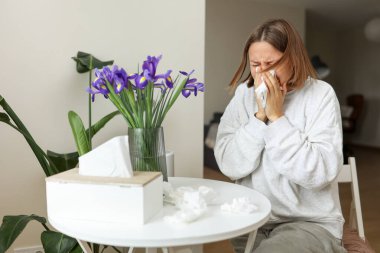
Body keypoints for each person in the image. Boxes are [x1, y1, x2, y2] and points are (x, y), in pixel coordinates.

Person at [214, 19, 346, 253]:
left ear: (293, 59)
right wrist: (259, 117)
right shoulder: (243, 96)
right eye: (255, 64)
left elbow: (319, 172)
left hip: (308, 225)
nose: (262, 72)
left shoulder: (320, 95)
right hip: (252, 221)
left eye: (271, 63)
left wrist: (277, 118)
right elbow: (228, 163)